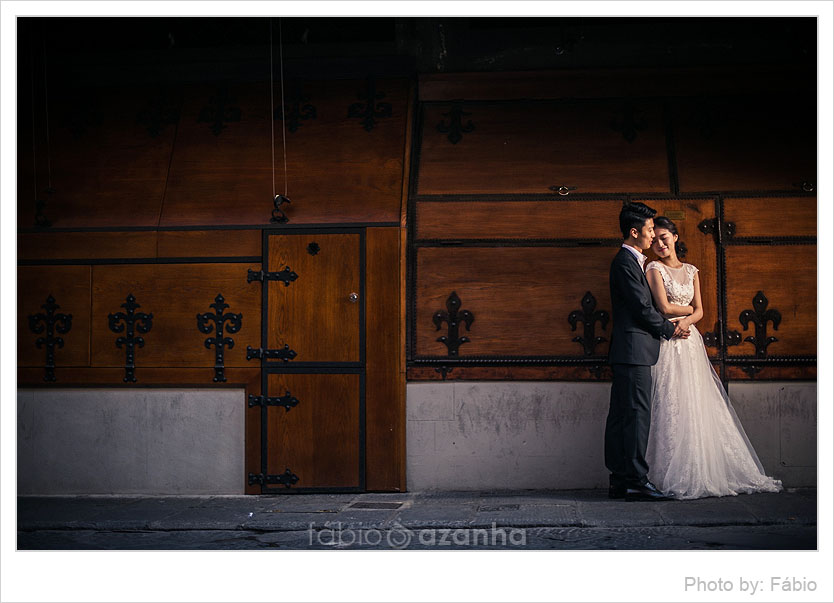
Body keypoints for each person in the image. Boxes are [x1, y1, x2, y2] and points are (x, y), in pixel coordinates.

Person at [644, 216, 783, 499]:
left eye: (664, 237)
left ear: (675, 236)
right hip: (668, 338)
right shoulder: (653, 268)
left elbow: (700, 310)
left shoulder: (692, 270)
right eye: (655, 239)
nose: (659, 244)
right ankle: (669, 469)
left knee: (696, 399)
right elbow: (663, 305)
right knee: (671, 400)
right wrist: (682, 319)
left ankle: (704, 466)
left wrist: (687, 322)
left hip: (688, 338)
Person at [606, 202, 690, 502]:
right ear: (634, 232)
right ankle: (636, 482)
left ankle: (620, 480)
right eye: (650, 229)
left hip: (632, 351)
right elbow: (642, 308)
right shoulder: (625, 262)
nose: (653, 235)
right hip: (633, 351)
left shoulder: (633, 261)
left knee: (623, 416)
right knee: (636, 417)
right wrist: (671, 329)